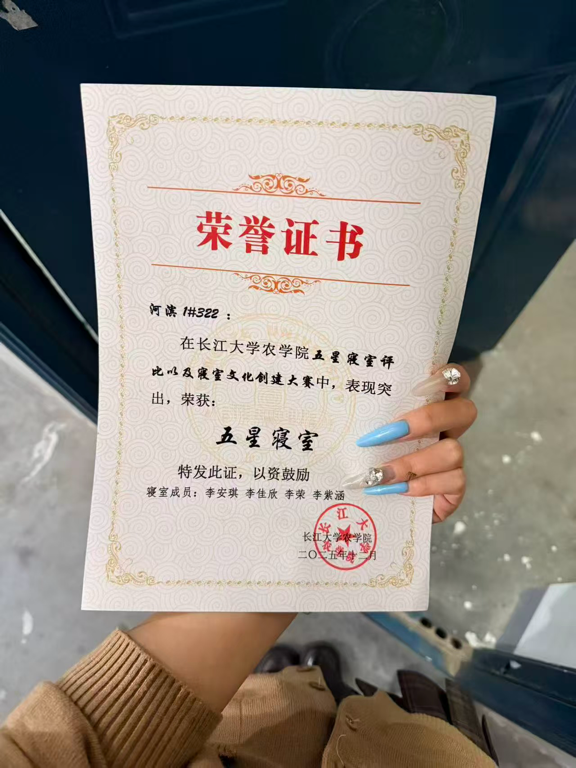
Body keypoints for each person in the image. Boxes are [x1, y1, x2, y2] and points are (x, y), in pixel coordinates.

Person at [0, 364, 493, 767]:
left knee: (280, 698)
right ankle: (301, 681)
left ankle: (295, 681)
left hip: (208, 726)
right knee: (312, 703)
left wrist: (322, 514)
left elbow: (68, 746)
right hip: (401, 753)